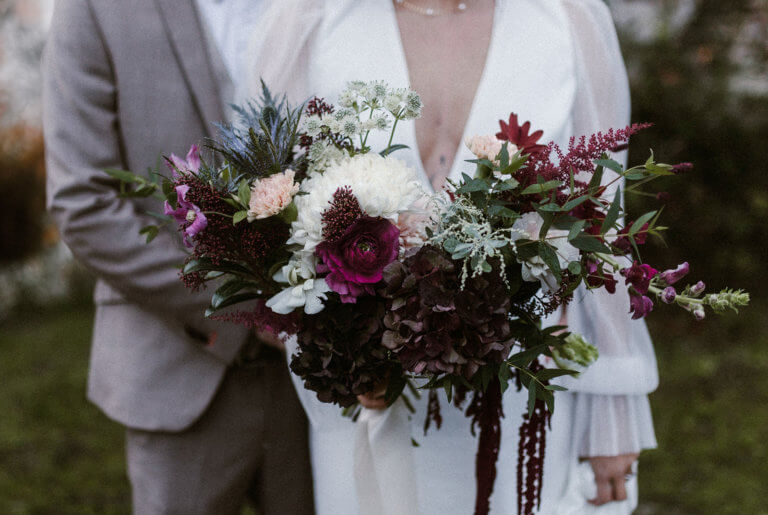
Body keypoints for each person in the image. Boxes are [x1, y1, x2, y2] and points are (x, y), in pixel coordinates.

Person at [245, 0, 659, 513]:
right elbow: (270, 209)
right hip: (365, 400)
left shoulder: (567, 18)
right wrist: (342, 355)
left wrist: (613, 412)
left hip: (523, 388)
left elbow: (600, 222)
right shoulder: (309, 17)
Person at [42, 1, 314, 513]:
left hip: (318, 377)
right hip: (177, 366)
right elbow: (84, 204)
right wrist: (248, 305)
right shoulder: (93, 8)